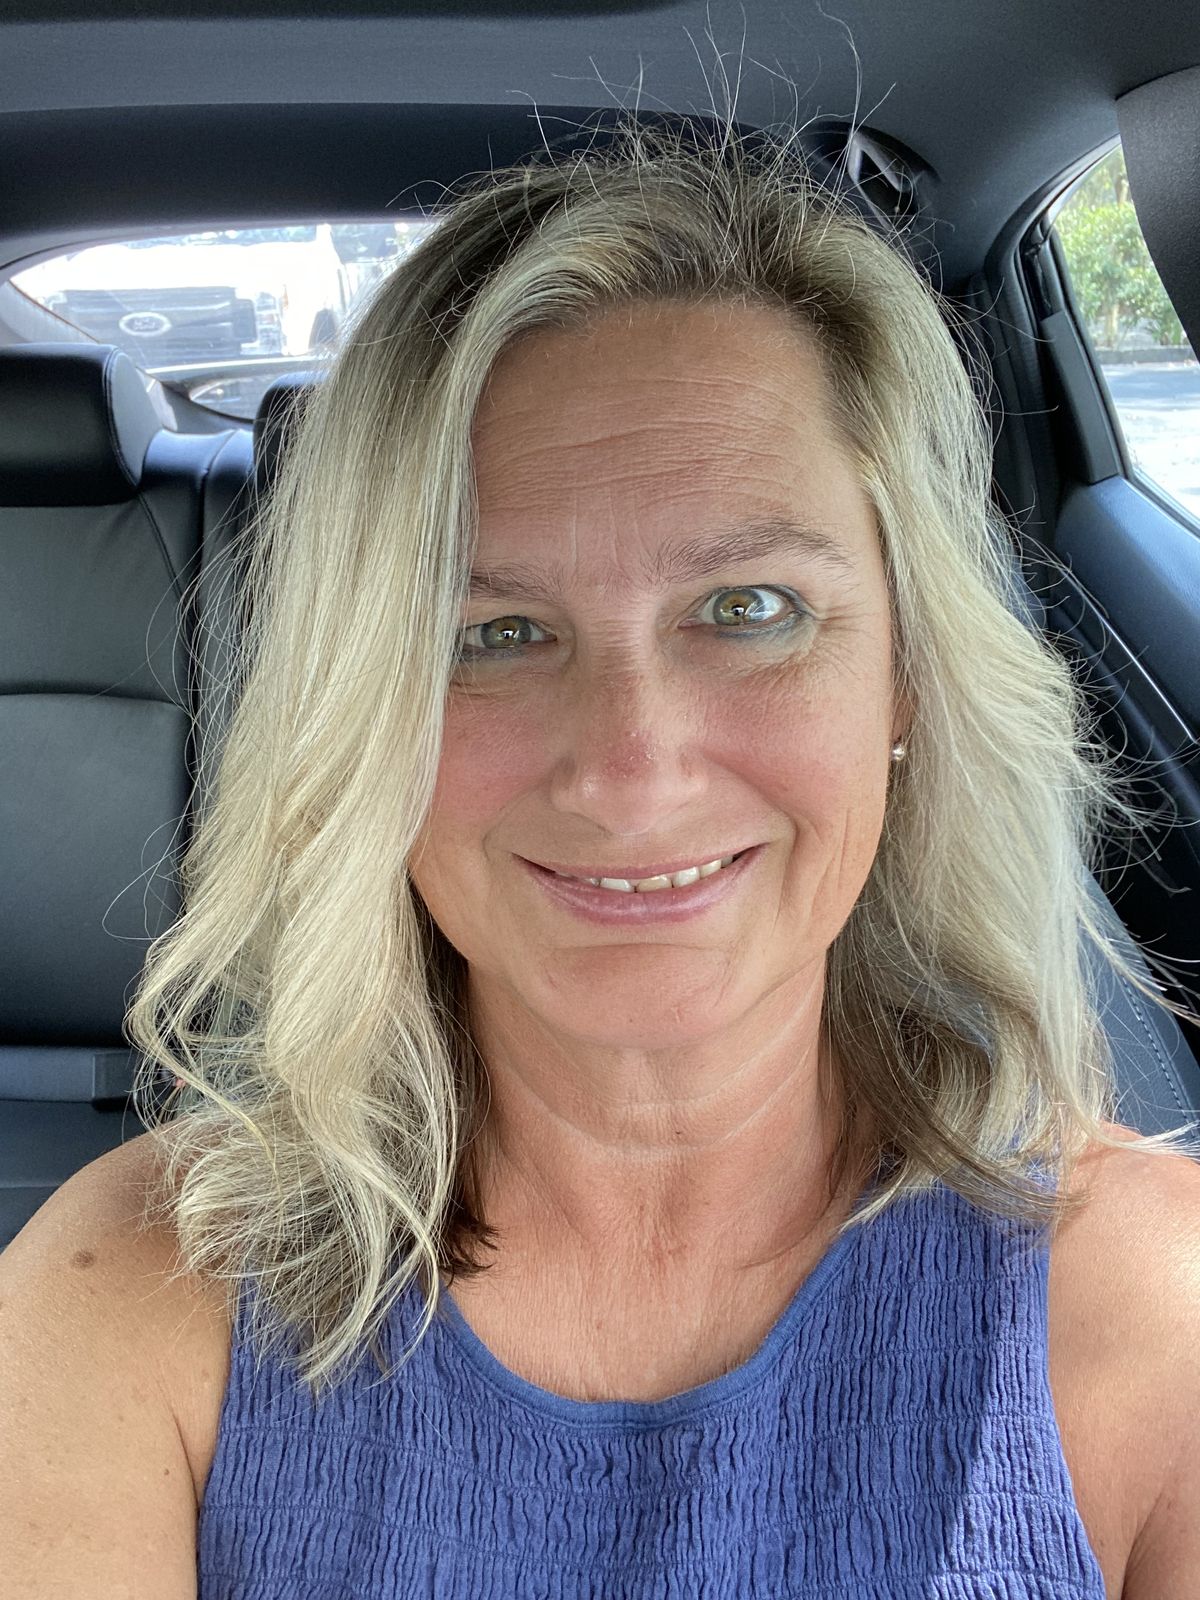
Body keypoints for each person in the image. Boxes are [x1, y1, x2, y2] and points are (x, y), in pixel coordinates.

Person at [4, 116, 1200, 1598]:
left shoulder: (1152, 1315)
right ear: (364, 721)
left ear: (906, 679)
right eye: (493, 634)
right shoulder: (126, 1302)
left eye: (751, 610)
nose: (631, 771)